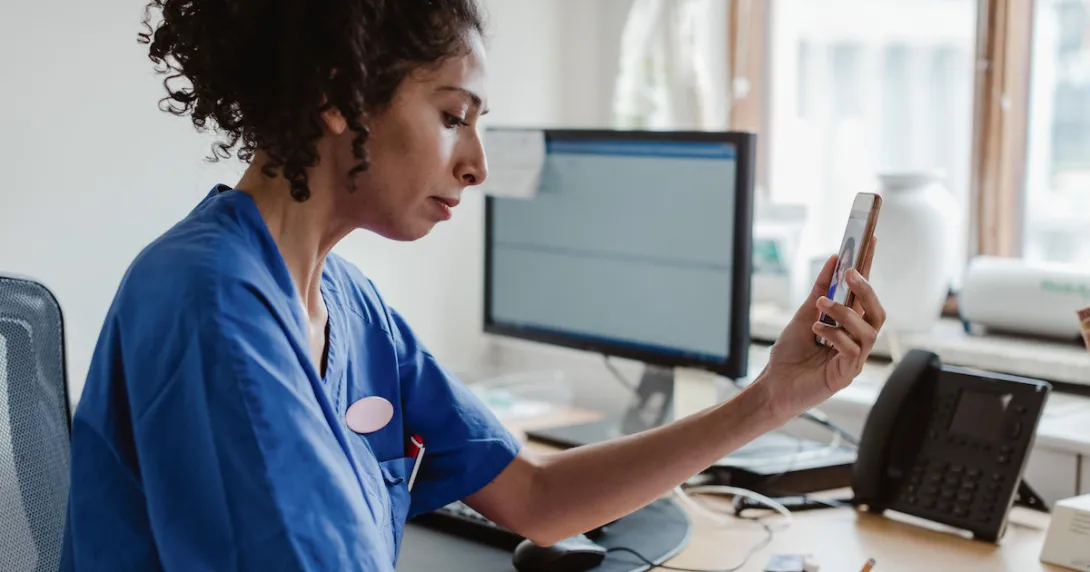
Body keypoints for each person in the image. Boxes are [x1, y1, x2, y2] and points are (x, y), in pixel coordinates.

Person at [60, 1, 886, 570]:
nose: (478, 164)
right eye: (455, 116)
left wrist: (771, 399)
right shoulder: (208, 304)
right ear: (338, 96)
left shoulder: (349, 306)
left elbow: (535, 497)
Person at [827, 236, 857, 303]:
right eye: (841, 268)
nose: (842, 272)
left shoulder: (846, 291)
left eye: (845, 268)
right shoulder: (832, 290)